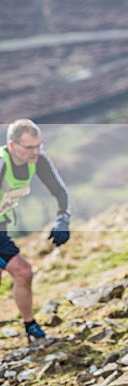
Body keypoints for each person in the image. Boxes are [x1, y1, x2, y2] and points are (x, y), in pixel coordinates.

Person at [1, 119, 71, 343]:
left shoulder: (38, 160)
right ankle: (31, 328)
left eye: (39, 145)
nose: (36, 151)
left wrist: (62, 220)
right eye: (29, 147)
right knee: (23, 271)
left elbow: (61, 192)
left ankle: (29, 328)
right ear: (12, 146)